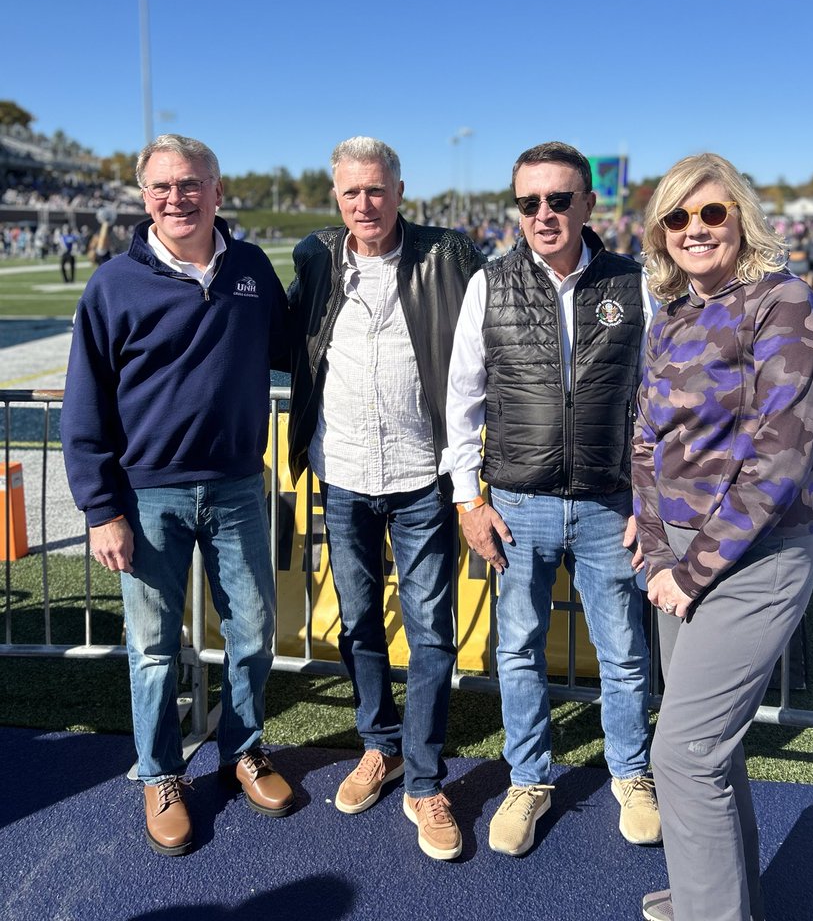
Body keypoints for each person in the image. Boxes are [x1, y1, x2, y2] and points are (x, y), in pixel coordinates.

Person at [60, 134, 294, 858]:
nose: (177, 198)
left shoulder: (251, 268)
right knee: (154, 649)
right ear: (143, 197)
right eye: (162, 187)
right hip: (147, 497)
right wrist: (101, 508)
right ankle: (161, 774)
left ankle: (243, 749)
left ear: (218, 191)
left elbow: (298, 351)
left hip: (234, 487)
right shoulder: (110, 285)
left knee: (253, 633)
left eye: (191, 184)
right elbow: (84, 406)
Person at [632, 153, 813, 921]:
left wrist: (690, 573)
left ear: (741, 219)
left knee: (683, 753)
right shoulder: (675, 313)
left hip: (753, 563)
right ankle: (712, 895)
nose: (695, 229)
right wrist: (658, 551)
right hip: (677, 558)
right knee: (706, 752)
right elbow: (645, 438)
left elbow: (780, 457)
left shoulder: (784, 306)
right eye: (678, 218)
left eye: (711, 213)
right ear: (660, 233)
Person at [442, 140, 660, 858]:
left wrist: (651, 503)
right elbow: (462, 401)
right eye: (529, 202)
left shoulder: (636, 284)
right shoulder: (489, 283)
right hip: (517, 502)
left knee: (625, 654)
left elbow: (663, 403)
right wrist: (469, 502)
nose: (543, 214)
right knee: (518, 650)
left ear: (589, 205)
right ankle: (529, 779)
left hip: (608, 505)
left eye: (559, 199)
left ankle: (631, 773)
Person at [286, 136, 482, 861]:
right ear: (335, 198)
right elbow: (281, 342)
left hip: (421, 476)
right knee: (361, 622)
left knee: (430, 632)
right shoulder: (315, 259)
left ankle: (425, 780)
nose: (364, 204)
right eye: (350, 193)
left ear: (400, 192)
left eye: (376, 190)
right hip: (342, 475)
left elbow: (493, 337)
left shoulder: (447, 256)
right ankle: (381, 744)